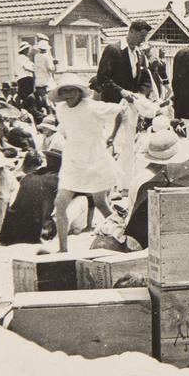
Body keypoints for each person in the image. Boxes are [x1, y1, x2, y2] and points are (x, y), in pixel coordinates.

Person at [48, 73, 129, 253]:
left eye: (72, 91)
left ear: (80, 92)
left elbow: (120, 111)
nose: (68, 94)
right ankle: (62, 249)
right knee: (60, 203)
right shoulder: (60, 109)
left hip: (94, 161)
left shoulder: (93, 107)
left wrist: (112, 136)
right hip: (72, 162)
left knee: (101, 204)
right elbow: (67, 129)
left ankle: (124, 236)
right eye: (65, 91)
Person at [32, 39, 56, 111]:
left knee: (43, 99)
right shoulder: (47, 57)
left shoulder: (36, 56)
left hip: (39, 81)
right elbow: (50, 69)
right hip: (47, 81)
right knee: (51, 99)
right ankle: (52, 112)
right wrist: (55, 64)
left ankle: (46, 111)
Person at [14, 42, 35, 108]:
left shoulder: (25, 58)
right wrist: (35, 70)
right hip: (25, 80)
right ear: (25, 50)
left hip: (26, 80)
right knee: (28, 98)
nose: (29, 51)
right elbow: (26, 67)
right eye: (28, 49)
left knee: (27, 98)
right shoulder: (21, 57)